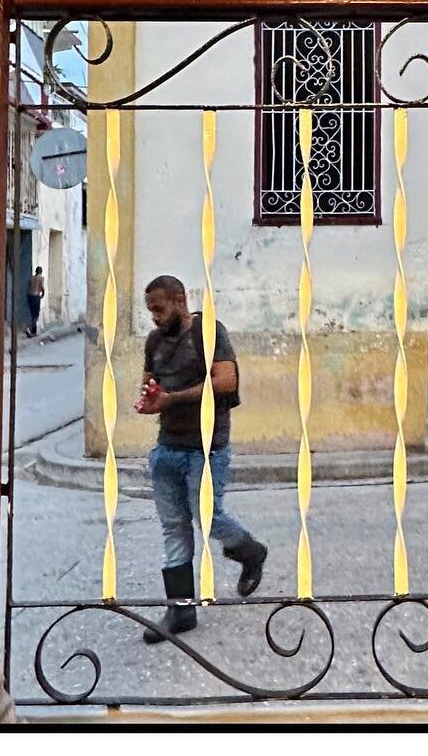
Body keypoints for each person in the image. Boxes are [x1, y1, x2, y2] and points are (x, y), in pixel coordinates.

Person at [133, 274, 269, 645]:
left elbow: (225, 381)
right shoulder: (154, 341)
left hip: (206, 447)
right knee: (174, 527)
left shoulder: (210, 331)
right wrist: (148, 399)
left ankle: (250, 551)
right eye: (150, 312)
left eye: (160, 309)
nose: (155, 317)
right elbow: (150, 384)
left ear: (180, 300)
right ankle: (181, 610)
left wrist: (171, 398)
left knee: (206, 516)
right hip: (167, 447)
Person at [26, 266, 45, 338]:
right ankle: (33, 331)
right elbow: (42, 287)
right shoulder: (41, 278)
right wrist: (42, 295)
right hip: (36, 296)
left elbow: (28, 287)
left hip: (29, 296)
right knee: (36, 314)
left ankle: (31, 330)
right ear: (41, 272)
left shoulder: (31, 278)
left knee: (32, 313)